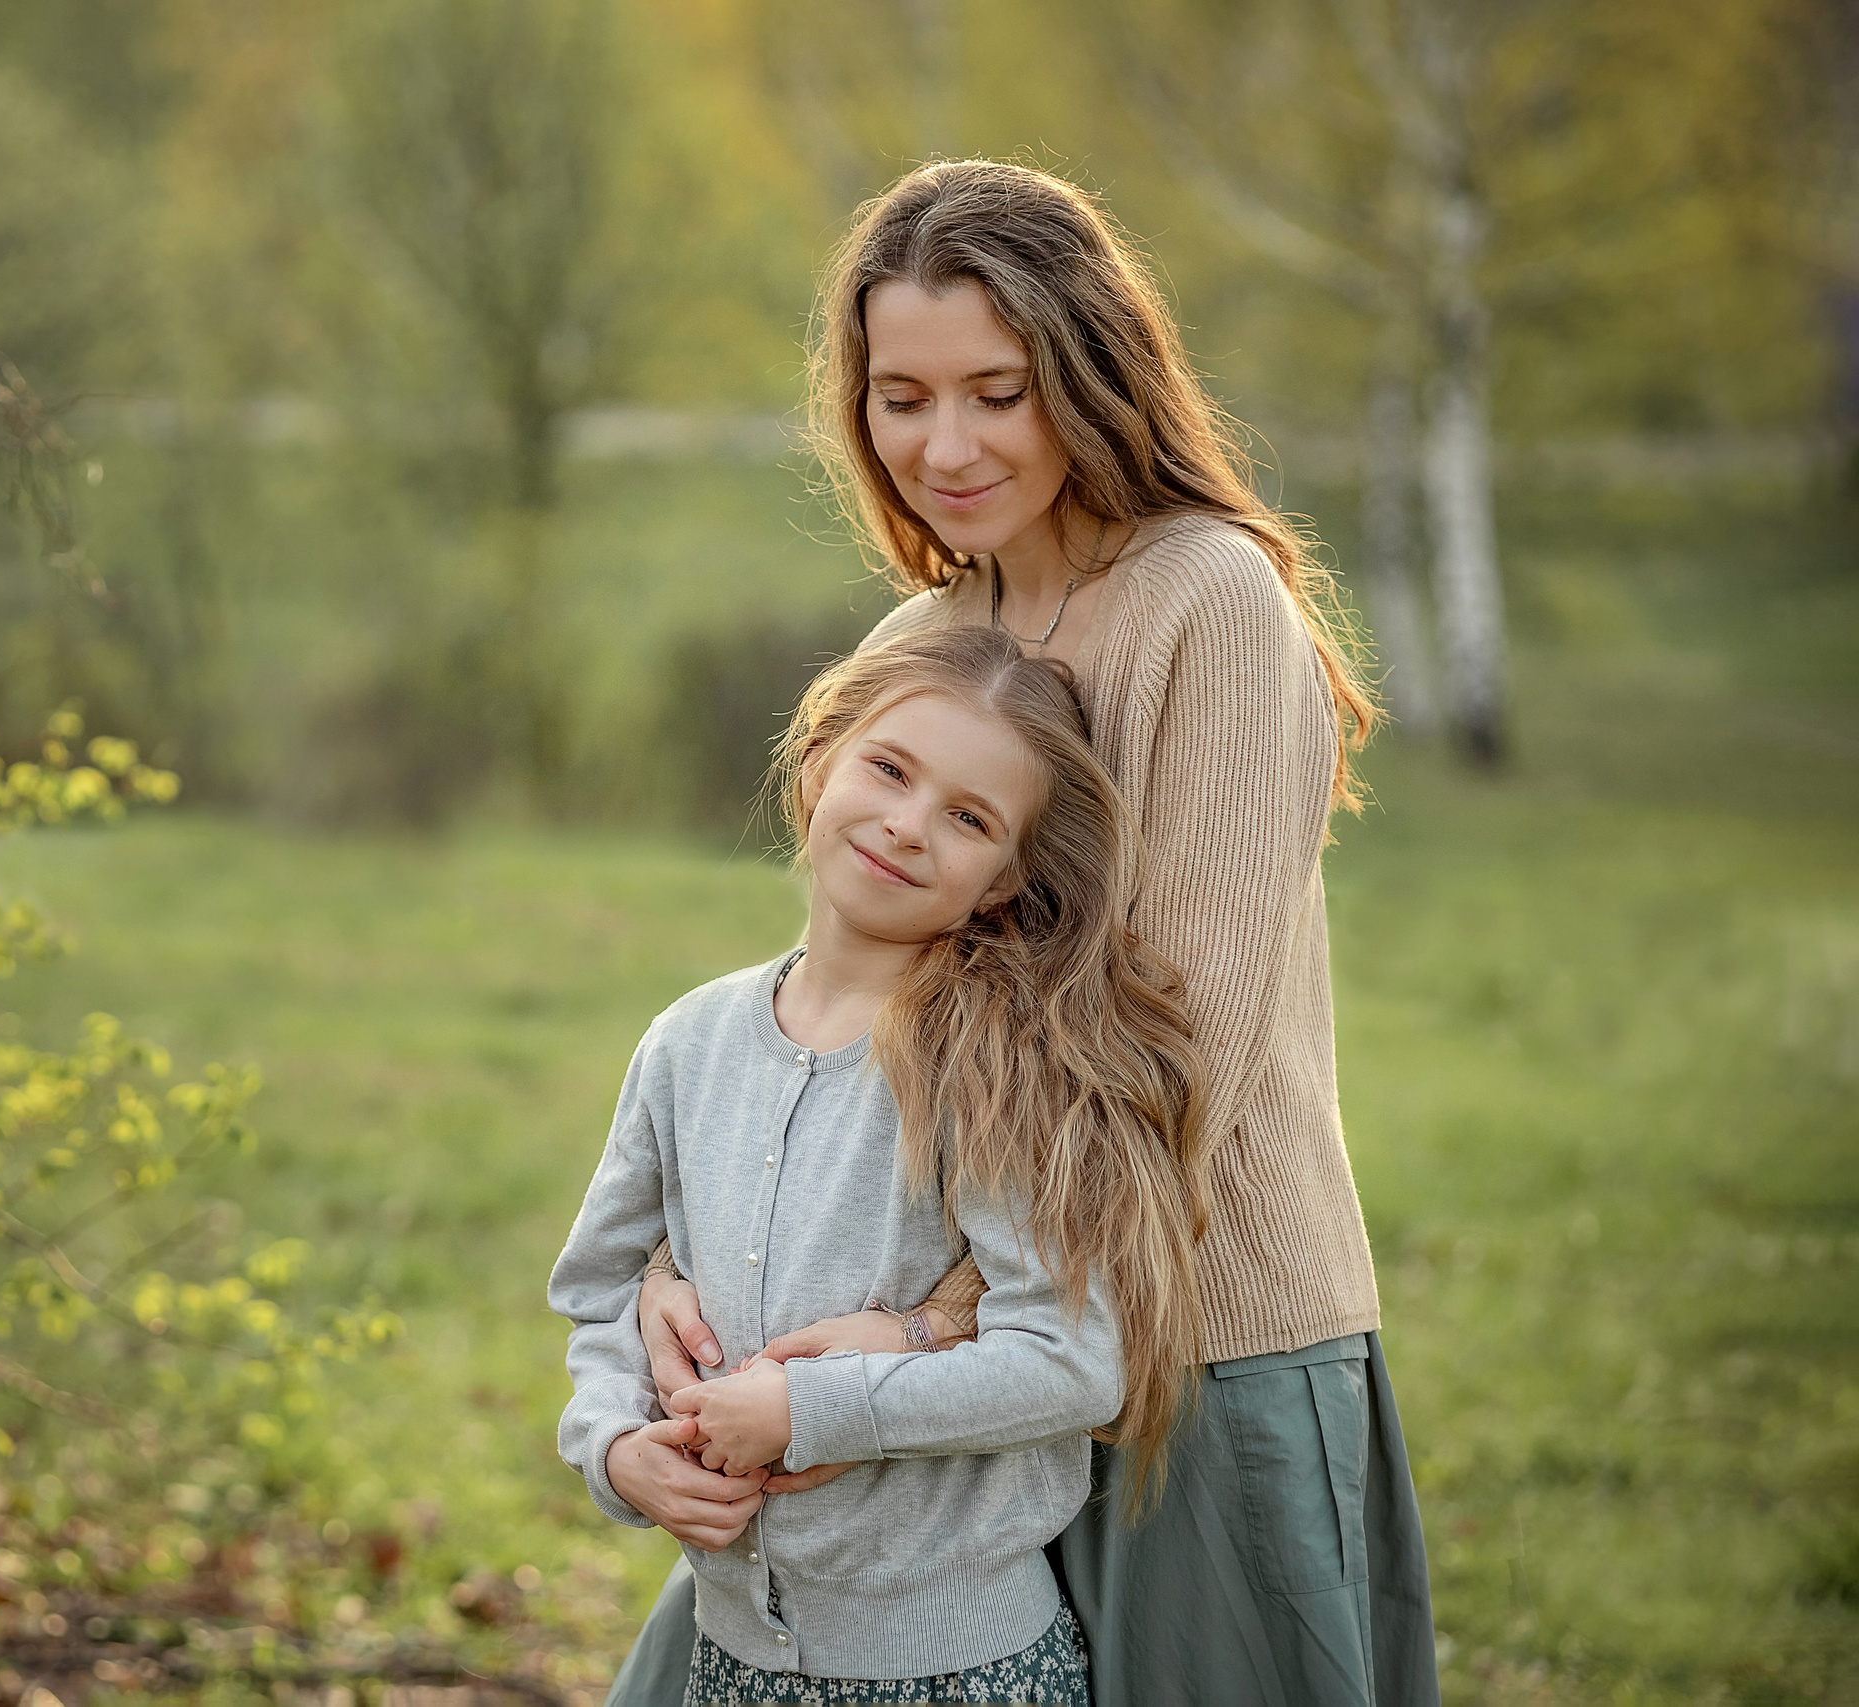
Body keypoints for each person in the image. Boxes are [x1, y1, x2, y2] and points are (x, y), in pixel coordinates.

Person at [611, 160, 1441, 1706]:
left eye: (999, 390)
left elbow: (1183, 1042)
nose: (947, 445)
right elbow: (844, 1009)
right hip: (916, 1386)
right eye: (902, 396)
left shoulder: (1213, 606)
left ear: (1091, 373)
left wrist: (933, 1330)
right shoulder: (921, 645)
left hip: (1190, 1348)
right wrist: (680, 1255)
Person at [552, 625, 1206, 1705]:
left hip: (959, 1670)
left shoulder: (994, 1069)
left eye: (968, 818)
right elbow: (602, 1293)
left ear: (1004, 881)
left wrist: (818, 1411)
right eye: (889, 769)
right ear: (818, 764)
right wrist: (615, 1451)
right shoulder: (688, 1041)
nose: (906, 825)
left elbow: (1070, 1362)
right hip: (733, 1662)